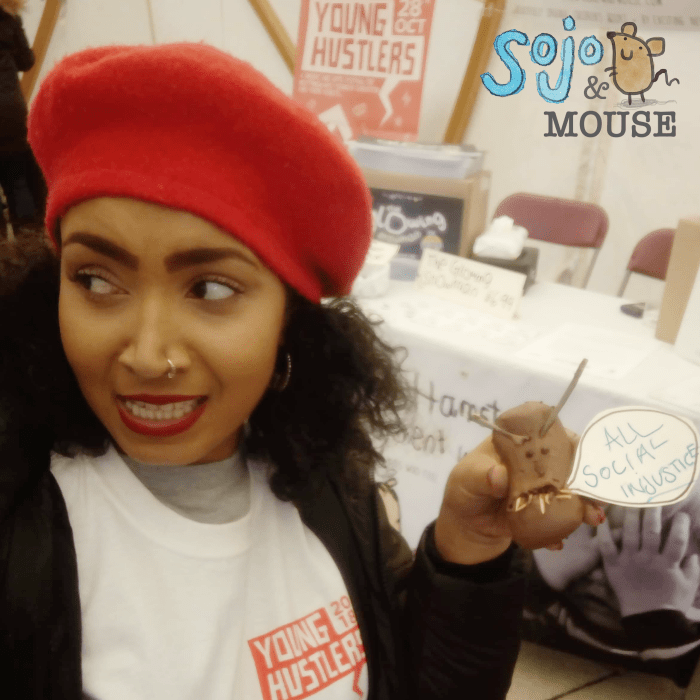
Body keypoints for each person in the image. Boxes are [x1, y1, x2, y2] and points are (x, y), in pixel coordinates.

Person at [0, 43, 603, 700]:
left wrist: (470, 551)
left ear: (288, 320)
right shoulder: (25, 526)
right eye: (95, 279)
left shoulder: (325, 485)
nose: (147, 354)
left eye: (210, 289)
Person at [0, 0, 45, 236]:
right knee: (17, 178)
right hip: (9, 110)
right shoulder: (9, 17)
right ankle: (29, 242)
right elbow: (26, 61)